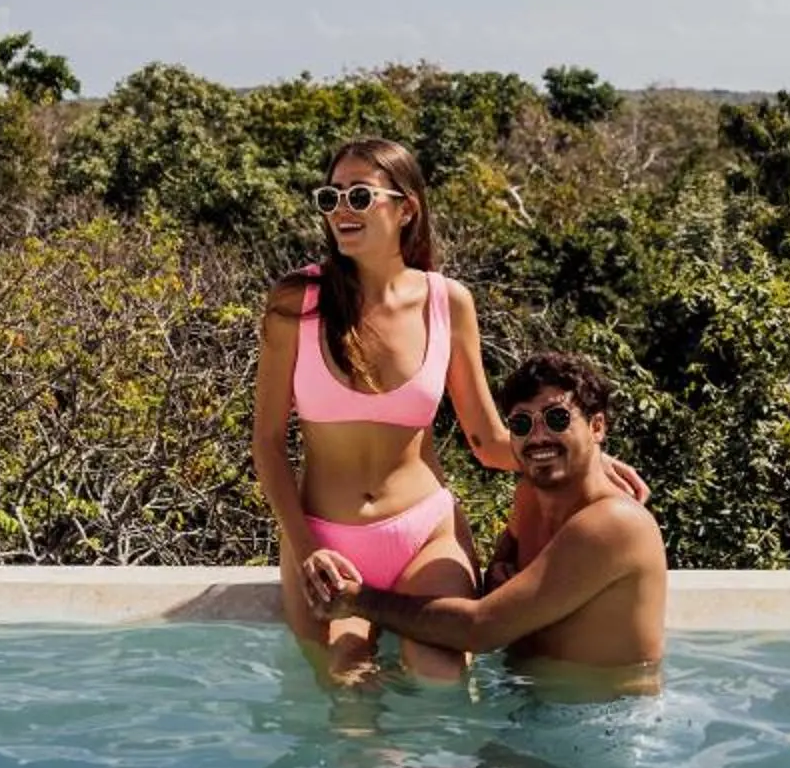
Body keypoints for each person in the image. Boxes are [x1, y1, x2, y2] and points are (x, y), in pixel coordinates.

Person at [254, 139, 642, 685]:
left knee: (441, 680)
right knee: (349, 689)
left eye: (360, 195)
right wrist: (308, 549)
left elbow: (485, 438)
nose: (342, 208)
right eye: (332, 196)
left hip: (425, 531)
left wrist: (592, 462)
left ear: (405, 207)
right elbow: (268, 443)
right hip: (326, 537)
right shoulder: (297, 302)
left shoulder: (447, 302)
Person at [303, 351, 666, 689]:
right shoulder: (530, 496)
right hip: (528, 700)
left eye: (557, 419)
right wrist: (500, 570)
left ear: (597, 427)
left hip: (602, 722)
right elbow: (501, 568)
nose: (538, 436)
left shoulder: (616, 523)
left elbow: (480, 629)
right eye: (522, 424)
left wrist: (358, 599)